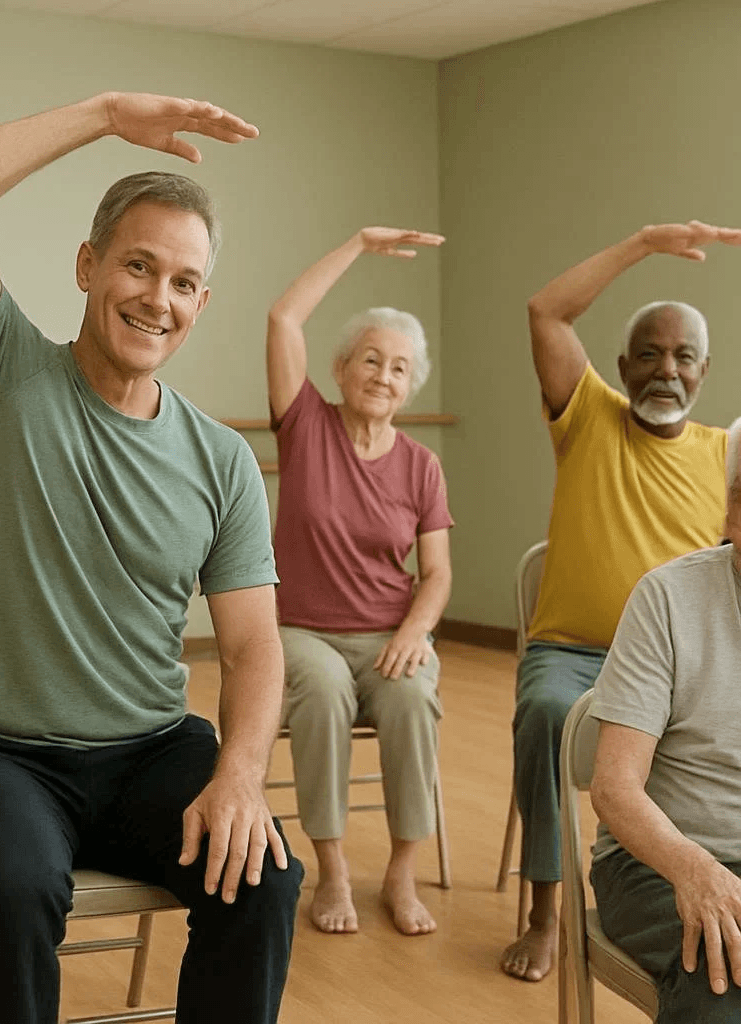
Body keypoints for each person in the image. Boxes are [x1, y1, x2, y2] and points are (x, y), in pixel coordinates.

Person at [0, 91, 304, 1024]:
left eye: (182, 281)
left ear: (202, 301)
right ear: (88, 266)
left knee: (265, 876)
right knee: (13, 889)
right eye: (137, 264)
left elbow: (252, 650)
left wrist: (239, 777)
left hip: (151, 754)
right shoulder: (1, 372)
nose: (156, 298)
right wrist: (108, 115)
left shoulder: (222, 459)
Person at [502, 220, 741, 983]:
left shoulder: (723, 458)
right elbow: (545, 311)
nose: (664, 369)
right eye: (649, 353)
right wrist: (642, 244)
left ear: (704, 371)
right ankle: (547, 913)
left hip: (679, 673)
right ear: (621, 366)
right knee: (544, 714)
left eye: (682, 356)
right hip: (573, 656)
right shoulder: (589, 418)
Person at [266, 227, 451, 936]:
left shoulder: (422, 466)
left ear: (410, 386)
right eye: (370, 359)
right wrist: (358, 245)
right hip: (304, 630)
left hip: (389, 631)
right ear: (341, 369)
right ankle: (333, 866)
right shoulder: (305, 425)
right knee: (321, 690)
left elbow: (435, 573)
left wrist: (415, 631)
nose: (383, 374)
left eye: (399, 367)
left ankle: (400, 871)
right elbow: (284, 319)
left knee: (409, 697)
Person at [589, 419, 741, 1023]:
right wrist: (695, 868)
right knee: (719, 978)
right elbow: (614, 788)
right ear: (735, 511)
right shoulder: (669, 600)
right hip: (657, 858)